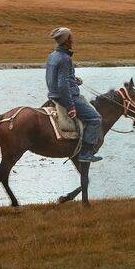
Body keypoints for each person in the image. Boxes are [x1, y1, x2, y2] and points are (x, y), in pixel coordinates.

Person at [45, 26, 102, 166]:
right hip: (65, 97)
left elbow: (55, 77)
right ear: (66, 40)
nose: (73, 39)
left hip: (53, 95)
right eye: (71, 37)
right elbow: (63, 85)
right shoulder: (65, 58)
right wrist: (70, 106)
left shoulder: (52, 55)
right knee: (95, 118)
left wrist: (73, 79)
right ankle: (86, 154)